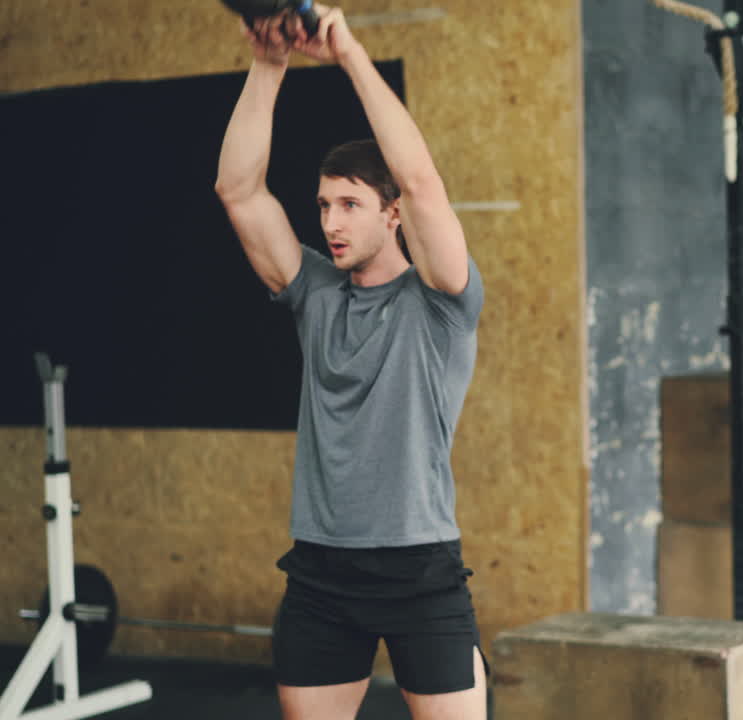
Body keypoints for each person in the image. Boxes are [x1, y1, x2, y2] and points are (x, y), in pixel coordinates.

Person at [213, 5, 485, 719]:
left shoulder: (442, 302)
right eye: (324, 205)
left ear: (391, 214)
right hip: (321, 573)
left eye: (350, 205)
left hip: (420, 568)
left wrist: (348, 53)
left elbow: (423, 181)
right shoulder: (313, 294)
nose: (330, 223)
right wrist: (269, 62)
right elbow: (238, 192)